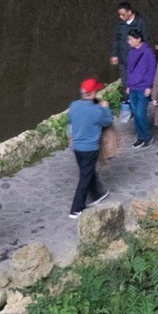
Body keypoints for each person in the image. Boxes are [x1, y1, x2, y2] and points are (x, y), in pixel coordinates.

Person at [67, 79, 114, 219]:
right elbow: (107, 121)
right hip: (90, 148)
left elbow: (71, 120)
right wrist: (105, 107)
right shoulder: (97, 110)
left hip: (76, 147)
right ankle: (76, 208)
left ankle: (98, 194)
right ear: (92, 93)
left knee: (86, 171)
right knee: (84, 177)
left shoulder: (73, 105)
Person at [109, 2, 147, 112]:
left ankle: (139, 104)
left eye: (123, 14)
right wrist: (114, 54)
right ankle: (129, 105)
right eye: (119, 15)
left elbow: (145, 39)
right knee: (126, 81)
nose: (121, 17)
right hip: (123, 58)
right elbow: (116, 40)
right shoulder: (120, 25)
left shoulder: (140, 22)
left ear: (130, 12)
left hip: (137, 60)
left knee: (137, 81)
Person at [125, 30, 156, 148]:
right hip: (133, 87)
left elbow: (151, 70)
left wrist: (149, 86)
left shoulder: (148, 52)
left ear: (138, 39)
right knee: (135, 113)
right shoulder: (131, 53)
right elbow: (129, 69)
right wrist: (128, 84)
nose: (129, 42)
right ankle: (140, 137)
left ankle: (147, 137)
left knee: (140, 113)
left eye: (131, 39)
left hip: (143, 87)